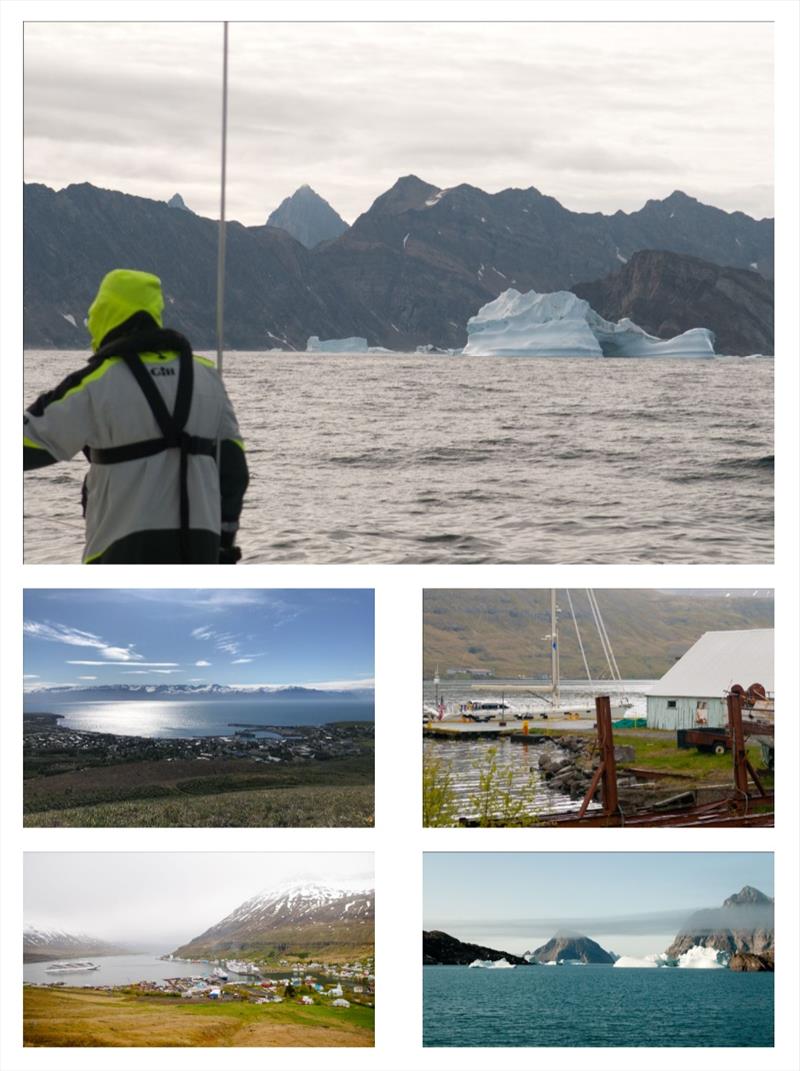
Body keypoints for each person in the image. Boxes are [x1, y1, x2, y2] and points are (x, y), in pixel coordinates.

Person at [23, 268, 248, 564]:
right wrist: (223, 543)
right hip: (200, 548)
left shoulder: (96, 382)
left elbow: (29, 443)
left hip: (119, 549)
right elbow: (234, 472)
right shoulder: (207, 377)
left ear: (104, 313)